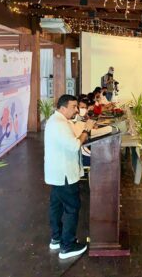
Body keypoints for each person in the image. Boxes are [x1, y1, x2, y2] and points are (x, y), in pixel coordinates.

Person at [45, 95, 94, 259]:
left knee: (57, 207)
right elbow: (74, 145)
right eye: (73, 107)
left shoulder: (59, 121)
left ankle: (57, 239)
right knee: (72, 208)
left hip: (58, 172)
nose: (76, 110)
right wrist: (86, 130)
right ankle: (67, 246)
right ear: (63, 107)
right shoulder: (59, 124)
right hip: (64, 173)